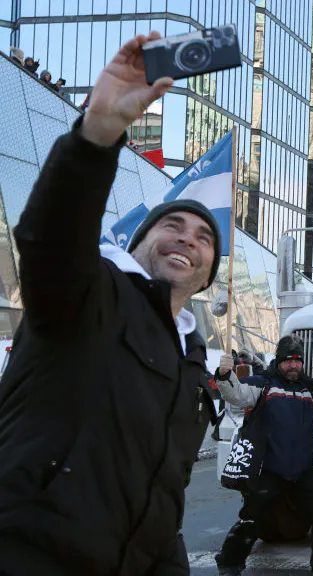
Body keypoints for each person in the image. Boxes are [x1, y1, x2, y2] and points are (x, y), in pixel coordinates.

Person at [0, 32, 219, 575]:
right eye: (172, 225)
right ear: (138, 243)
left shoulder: (191, 353)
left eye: (203, 237)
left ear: (208, 271)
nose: (188, 238)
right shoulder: (90, 291)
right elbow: (52, 237)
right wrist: (99, 132)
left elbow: (162, 492)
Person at [214, 335, 313, 576]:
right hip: (269, 469)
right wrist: (225, 375)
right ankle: (229, 563)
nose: (294, 366)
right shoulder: (263, 384)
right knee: (251, 520)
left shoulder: (309, 389)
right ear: (279, 361)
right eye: (288, 361)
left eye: (298, 361)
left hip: (304, 469)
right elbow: (236, 394)